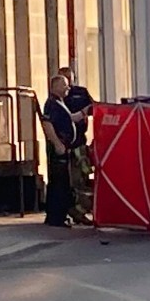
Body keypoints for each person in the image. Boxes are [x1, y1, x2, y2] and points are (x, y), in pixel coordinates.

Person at [57, 66, 94, 225]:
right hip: (66, 143)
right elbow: (65, 119)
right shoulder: (58, 99)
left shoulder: (81, 92)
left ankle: (80, 210)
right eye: (64, 80)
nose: (68, 84)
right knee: (73, 180)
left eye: (70, 79)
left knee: (84, 175)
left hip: (80, 141)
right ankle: (75, 211)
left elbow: (94, 108)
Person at [41, 75, 78, 227]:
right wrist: (57, 144)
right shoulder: (51, 104)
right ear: (55, 86)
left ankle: (60, 215)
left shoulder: (60, 103)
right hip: (58, 149)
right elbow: (47, 124)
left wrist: (83, 113)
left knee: (63, 183)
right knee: (58, 183)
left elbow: (69, 120)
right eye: (64, 85)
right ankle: (55, 217)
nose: (67, 88)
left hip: (64, 147)